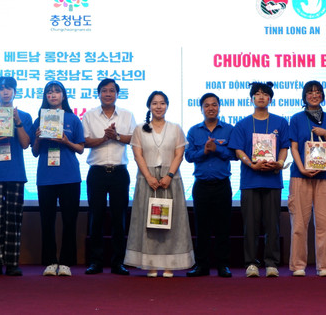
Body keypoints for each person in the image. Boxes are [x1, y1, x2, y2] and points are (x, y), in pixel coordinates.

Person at [124, 91, 194, 277]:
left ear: (167, 106)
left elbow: (179, 154)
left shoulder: (175, 128)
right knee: (149, 224)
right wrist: (148, 176)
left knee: (171, 223)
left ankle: (170, 264)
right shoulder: (140, 129)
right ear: (149, 106)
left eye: (162, 103)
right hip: (148, 180)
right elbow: (137, 154)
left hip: (169, 180)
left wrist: (169, 175)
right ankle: (151, 264)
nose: (158, 107)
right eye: (155, 103)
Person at [229, 81, 289, 278]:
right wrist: (250, 164)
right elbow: (238, 150)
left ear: (270, 99)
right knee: (251, 225)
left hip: (272, 180)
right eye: (257, 94)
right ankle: (251, 263)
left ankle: (271, 263)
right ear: (252, 98)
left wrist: (280, 163)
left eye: (265, 94)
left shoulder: (280, 122)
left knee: (273, 225)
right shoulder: (243, 123)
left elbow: (284, 147)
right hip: (250, 180)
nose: (261, 97)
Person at [29, 81, 85, 277]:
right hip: (46, 177)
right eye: (49, 92)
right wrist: (37, 139)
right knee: (47, 221)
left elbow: (80, 148)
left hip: (69, 176)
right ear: (45, 96)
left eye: (56, 92)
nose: (53, 95)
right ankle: (51, 262)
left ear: (63, 96)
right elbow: (35, 152)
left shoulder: (73, 119)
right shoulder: (38, 120)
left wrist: (66, 141)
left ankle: (67, 262)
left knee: (70, 221)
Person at [82, 78, 136, 275]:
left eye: (111, 91)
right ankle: (95, 262)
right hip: (97, 172)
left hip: (119, 173)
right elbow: (85, 142)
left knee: (118, 218)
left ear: (117, 94)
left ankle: (118, 262)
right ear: (98, 94)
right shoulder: (88, 115)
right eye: (104, 90)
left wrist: (117, 136)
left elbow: (134, 139)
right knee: (95, 217)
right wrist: (104, 138)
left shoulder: (127, 115)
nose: (107, 94)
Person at [0, 76, 32, 276]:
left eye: (9, 88)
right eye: (1, 89)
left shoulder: (24, 116)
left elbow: (26, 144)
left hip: (16, 173)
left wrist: (17, 122)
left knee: (14, 220)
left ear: (15, 92)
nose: (5, 92)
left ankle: (12, 263)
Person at [287, 80, 326, 277]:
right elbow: (293, 147)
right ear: (304, 96)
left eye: (318, 92)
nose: (314, 95)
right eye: (310, 92)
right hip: (300, 176)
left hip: (325, 177)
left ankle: (324, 266)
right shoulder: (296, 118)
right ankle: (298, 265)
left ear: (323, 95)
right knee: (299, 223)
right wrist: (302, 168)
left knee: (324, 224)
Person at [185, 92, 235, 278]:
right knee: (202, 227)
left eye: (214, 104)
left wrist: (218, 149)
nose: (211, 108)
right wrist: (204, 152)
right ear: (201, 109)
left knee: (223, 227)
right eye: (207, 105)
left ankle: (223, 265)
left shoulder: (229, 130)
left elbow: (235, 155)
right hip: (202, 186)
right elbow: (189, 157)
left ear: (219, 107)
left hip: (222, 184)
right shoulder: (194, 131)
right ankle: (202, 266)